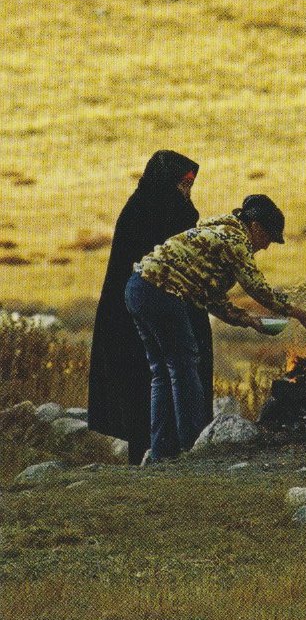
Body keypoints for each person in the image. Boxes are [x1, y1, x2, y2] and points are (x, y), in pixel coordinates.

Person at [124, 194, 306, 462]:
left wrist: (249, 320)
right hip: (161, 291)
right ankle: (193, 448)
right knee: (184, 367)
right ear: (255, 226)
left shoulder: (219, 234)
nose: (266, 246)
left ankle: (162, 452)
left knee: (163, 371)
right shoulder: (235, 240)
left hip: (138, 287)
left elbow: (212, 299)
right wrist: (299, 313)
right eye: (268, 237)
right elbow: (257, 288)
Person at [88, 150, 213, 466]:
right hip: (138, 315)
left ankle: (165, 453)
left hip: (156, 308)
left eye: (190, 185)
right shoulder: (148, 212)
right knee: (150, 381)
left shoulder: (152, 207)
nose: (186, 192)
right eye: (183, 184)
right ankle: (167, 452)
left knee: (165, 375)